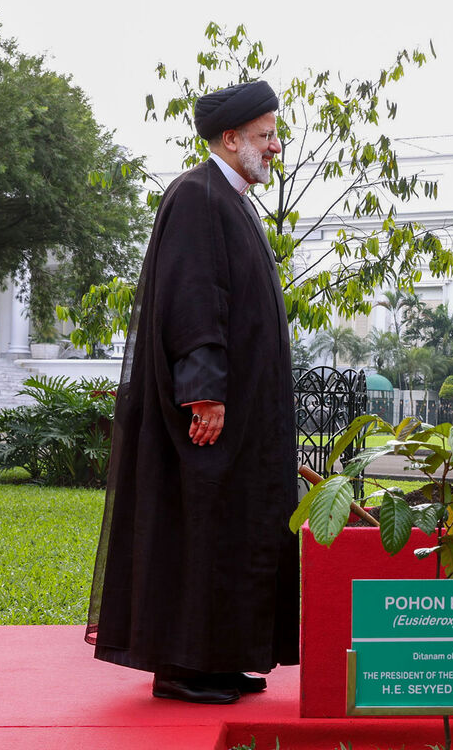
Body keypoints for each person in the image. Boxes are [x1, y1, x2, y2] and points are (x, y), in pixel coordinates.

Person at [86, 80, 299, 705]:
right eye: (265, 137)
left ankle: (220, 658)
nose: (276, 147)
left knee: (234, 530)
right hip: (209, 415)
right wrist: (203, 392)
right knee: (198, 527)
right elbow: (194, 301)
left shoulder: (230, 198)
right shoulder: (197, 195)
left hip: (243, 418)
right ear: (229, 139)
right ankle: (181, 666)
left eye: (274, 134)